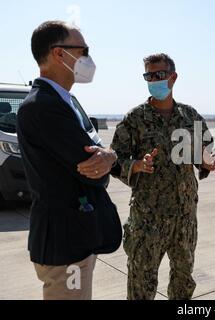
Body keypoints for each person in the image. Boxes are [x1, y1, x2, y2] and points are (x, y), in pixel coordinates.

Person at [17, 21, 122, 300]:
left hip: (73, 236)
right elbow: (94, 171)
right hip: (65, 243)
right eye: (83, 50)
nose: (88, 58)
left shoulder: (63, 100)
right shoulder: (44, 106)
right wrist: (108, 158)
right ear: (59, 54)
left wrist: (109, 156)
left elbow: (97, 156)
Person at [110, 53, 215, 300]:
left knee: (183, 282)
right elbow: (115, 160)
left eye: (159, 75)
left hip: (185, 216)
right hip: (148, 219)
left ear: (173, 77)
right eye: (149, 75)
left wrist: (206, 162)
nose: (154, 80)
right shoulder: (134, 119)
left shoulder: (190, 116)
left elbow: (206, 148)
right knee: (141, 284)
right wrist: (136, 165)